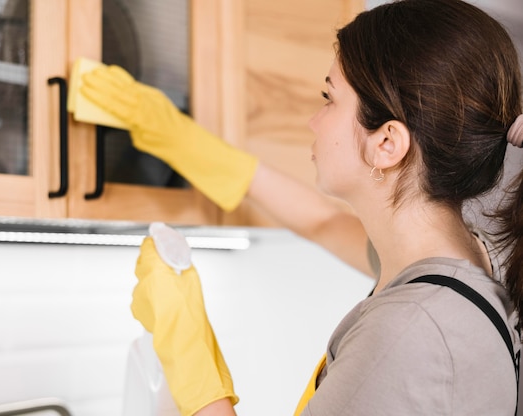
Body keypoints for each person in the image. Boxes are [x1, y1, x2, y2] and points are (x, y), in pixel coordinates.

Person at [80, 0, 523, 414]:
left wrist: (190, 359)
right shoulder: (462, 262)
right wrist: (179, 139)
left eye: (329, 98)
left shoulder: (411, 330)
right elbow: (322, 222)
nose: (314, 119)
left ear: (387, 143)